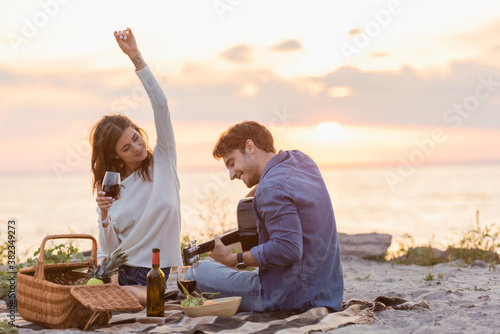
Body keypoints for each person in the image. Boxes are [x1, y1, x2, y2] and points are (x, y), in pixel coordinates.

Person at [194, 121, 344, 312]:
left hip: (289, 298)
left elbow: (288, 248)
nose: (231, 175)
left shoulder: (271, 189)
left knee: (198, 271)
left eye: (232, 163)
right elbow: (283, 189)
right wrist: (256, 194)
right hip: (327, 293)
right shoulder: (301, 161)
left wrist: (234, 259)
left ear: (250, 147)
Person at [89, 28, 182, 305]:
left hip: (159, 270)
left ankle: (120, 294)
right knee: (154, 299)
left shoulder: (163, 160)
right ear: (117, 157)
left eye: (136, 138)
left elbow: (161, 106)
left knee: (160, 298)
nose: (138, 147)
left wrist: (136, 58)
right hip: (124, 272)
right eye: (126, 148)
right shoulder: (112, 187)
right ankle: (116, 292)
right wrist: (104, 214)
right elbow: (108, 247)